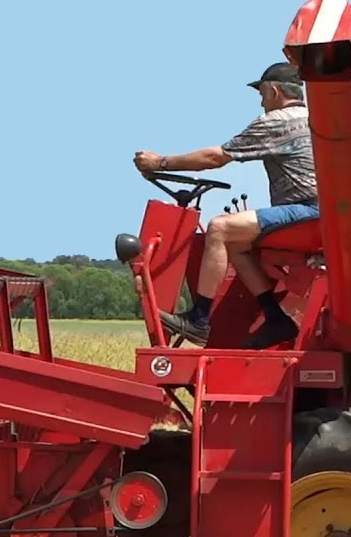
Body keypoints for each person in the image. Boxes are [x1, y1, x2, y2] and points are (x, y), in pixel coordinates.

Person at [132, 62, 318, 349]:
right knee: (236, 243)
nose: (261, 100)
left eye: (262, 93)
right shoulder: (315, 117)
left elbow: (215, 158)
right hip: (319, 212)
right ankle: (275, 318)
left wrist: (161, 162)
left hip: (309, 213)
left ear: (273, 90)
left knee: (219, 228)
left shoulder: (277, 121)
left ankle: (199, 319)